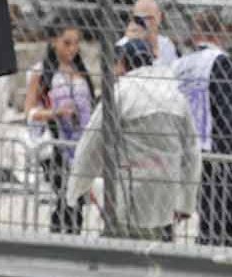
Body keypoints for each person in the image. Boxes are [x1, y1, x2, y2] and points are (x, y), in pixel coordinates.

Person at [68, 38, 198, 242]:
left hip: (130, 193)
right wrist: (186, 202)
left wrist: (76, 188)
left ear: (122, 63)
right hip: (166, 195)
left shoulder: (121, 93)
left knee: (122, 252)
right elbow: (191, 151)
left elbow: (91, 143)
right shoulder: (174, 96)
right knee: (157, 252)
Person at [174, 12, 232, 247]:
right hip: (214, 151)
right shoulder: (218, 60)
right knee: (227, 222)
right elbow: (229, 103)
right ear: (219, 34)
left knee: (210, 214)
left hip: (189, 150)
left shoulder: (180, 64)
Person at [25, 26, 94, 235]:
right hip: (55, 145)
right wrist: (55, 112)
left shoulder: (81, 71)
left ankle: (73, 239)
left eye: (76, 43)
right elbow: (29, 112)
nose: (72, 49)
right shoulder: (42, 72)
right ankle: (58, 239)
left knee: (78, 201)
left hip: (81, 144)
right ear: (54, 41)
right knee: (64, 197)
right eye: (66, 43)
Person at [121, 0, 178, 67]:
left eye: (150, 18)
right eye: (139, 19)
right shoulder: (123, 44)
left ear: (159, 17)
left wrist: (154, 48)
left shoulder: (166, 44)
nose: (146, 22)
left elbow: (173, 72)